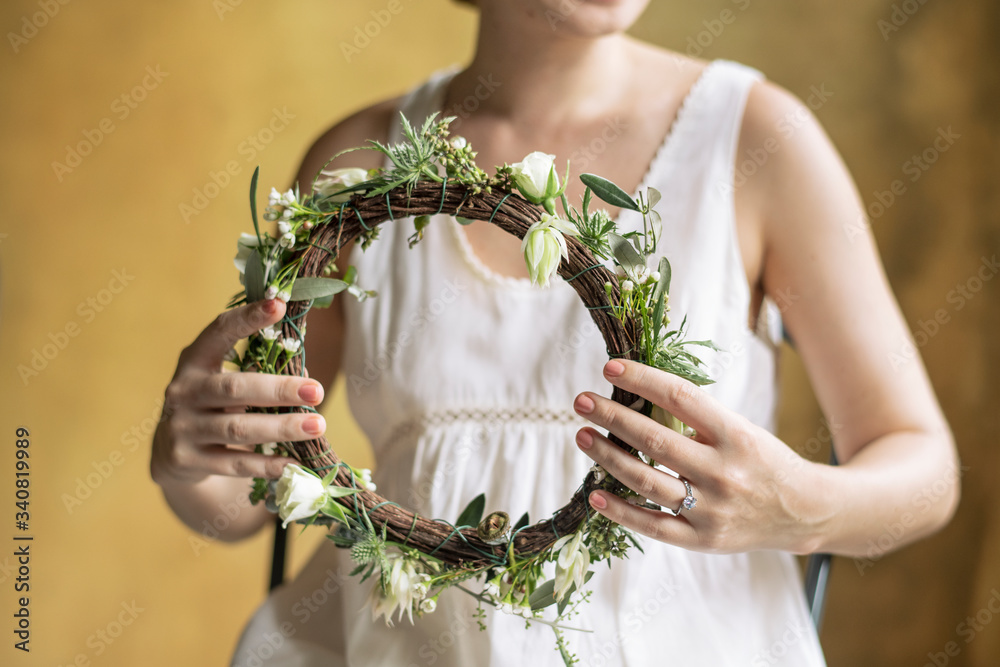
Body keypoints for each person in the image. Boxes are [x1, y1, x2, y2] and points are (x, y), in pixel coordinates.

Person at [150, 1, 960, 664]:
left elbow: (925, 468)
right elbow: (245, 502)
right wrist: (192, 460)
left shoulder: (755, 139)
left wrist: (798, 506)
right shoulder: (358, 166)